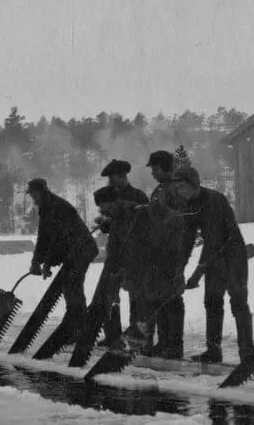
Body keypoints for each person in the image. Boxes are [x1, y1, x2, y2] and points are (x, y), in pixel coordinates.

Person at [175, 166, 254, 363]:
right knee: (212, 302)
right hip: (214, 258)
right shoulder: (190, 205)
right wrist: (179, 269)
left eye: (183, 186)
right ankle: (213, 351)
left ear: (194, 184)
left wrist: (197, 273)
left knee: (238, 302)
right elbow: (187, 240)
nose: (180, 191)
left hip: (233, 254)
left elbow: (214, 240)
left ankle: (247, 352)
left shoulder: (214, 200)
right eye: (178, 188)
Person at [27, 178, 99, 338]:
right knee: (70, 288)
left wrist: (46, 264)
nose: (33, 199)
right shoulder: (46, 208)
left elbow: (58, 239)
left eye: (35, 195)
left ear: (43, 192)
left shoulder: (57, 207)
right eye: (32, 195)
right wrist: (36, 262)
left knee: (72, 287)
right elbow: (43, 238)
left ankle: (79, 328)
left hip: (82, 249)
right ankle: (76, 325)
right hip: (72, 251)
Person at [92, 159, 149, 347]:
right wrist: (106, 224)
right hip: (115, 253)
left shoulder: (138, 197)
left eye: (112, 178)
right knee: (110, 294)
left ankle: (136, 335)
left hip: (134, 254)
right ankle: (112, 335)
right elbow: (117, 226)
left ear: (122, 176)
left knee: (135, 295)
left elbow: (142, 226)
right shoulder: (111, 197)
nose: (109, 182)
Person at [144, 150, 191, 358]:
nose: (153, 173)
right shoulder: (160, 189)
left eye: (154, 168)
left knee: (172, 299)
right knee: (160, 297)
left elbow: (182, 220)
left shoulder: (176, 189)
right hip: (159, 252)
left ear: (162, 167)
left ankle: (175, 345)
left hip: (173, 251)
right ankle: (164, 342)